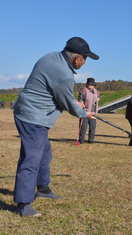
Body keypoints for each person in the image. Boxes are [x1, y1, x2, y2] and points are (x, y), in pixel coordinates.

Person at [13, 37, 99, 217]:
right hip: (33, 117)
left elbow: (54, 92)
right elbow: (67, 101)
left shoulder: (51, 57)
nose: (84, 63)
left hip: (31, 113)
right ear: (77, 58)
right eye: (85, 59)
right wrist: (85, 113)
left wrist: (74, 102)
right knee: (31, 159)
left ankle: (43, 188)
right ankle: (23, 203)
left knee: (45, 153)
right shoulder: (64, 74)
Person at [77, 77, 101, 144]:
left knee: (92, 127)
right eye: (90, 84)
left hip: (93, 112)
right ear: (87, 84)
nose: (91, 86)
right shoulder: (83, 90)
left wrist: (95, 101)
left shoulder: (95, 91)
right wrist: (84, 107)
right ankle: (81, 140)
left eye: (93, 85)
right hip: (85, 112)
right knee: (83, 126)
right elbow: (80, 100)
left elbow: (99, 97)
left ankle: (91, 139)